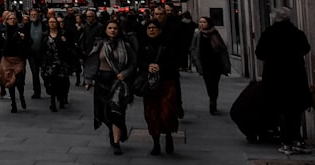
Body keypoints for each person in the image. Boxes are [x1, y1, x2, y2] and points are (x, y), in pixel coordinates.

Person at [255, 7, 312, 154]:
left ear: (274, 19)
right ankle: (297, 139)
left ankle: (286, 142)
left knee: (281, 110)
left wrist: (273, 57)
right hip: (295, 76)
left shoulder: (268, 34)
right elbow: (306, 48)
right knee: (296, 109)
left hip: (275, 77)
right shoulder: (297, 33)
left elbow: (259, 53)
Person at [84, 18, 137, 154]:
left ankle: (116, 142)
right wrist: (88, 80)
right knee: (104, 113)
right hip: (102, 81)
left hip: (119, 81)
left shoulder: (126, 45)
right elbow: (92, 61)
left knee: (116, 111)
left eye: (115, 28)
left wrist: (125, 73)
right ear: (106, 30)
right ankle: (115, 131)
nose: (113, 30)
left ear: (119, 30)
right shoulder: (100, 44)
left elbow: (133, 63)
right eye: (110, 28)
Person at [138, 18, 181, 155]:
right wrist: (148, 66)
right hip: (150, 84)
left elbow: (175, 61)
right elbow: (138, 60)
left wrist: (160, 67)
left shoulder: (169, 44)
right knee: (151, 114)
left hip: (166, 81)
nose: (151, 30)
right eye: (149, 28)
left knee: (167, 112)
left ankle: (168, 135)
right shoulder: (143, 44)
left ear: (160, 30)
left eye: (154, 28)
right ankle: (156, 142)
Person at [190, 16, 230, 114]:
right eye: (200, 22)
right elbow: (193, 48)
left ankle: (213, 100)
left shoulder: (215, 33)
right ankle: (212, 99)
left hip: (216, 63)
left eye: (204, 22)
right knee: (208, 83)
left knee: (215, 83)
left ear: (209, 23)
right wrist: (195, 60)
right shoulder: (197, 34)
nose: (202, 24)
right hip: (205, 63)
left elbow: (222, 49)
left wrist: (226, 64)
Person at [0, 10, 31, 113]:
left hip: (18, 59)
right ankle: (13, 103)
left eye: (14, 19)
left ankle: (21, 96)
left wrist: (24, 39)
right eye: (10, 19)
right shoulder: (3, 31)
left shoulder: (21, 30)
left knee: (19, 81)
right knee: (10, 82)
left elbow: (29, 41)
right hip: (6, 59)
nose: (12, 20)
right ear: (6, 21)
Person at [40, 14, 75, 112]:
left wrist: (65, 42)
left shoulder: (63, 34)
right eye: (50, 22)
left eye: (54, 22)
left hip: (62, 62)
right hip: (50, 63)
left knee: (62, 82)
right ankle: (52, 102)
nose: (52, 24)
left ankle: (62, 98)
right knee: (52, 83)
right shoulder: (45, 35)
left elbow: (69, 47)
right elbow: (42, 49)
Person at [22, 8, 44, 99]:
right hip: (32, 54)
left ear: (38, 15)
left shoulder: (44, 25)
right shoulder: (27, 26)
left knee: (45, 73)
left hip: (43, 53)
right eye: (32, 15)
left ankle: (48, 86)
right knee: (35, 73)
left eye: (35, 14)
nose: (33, 16)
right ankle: (37, 91)